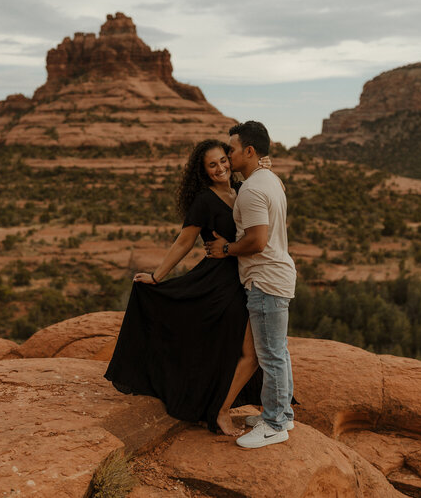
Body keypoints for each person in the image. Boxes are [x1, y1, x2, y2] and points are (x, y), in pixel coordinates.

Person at [104, 139, 265, 436]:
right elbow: (184, 241)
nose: (220, 168)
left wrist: (265, 167)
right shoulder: (204, 200)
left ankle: (235, 406)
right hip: (220, 281)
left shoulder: (243, 190)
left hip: (248, 276)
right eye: (212, 165)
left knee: (241, 346)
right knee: (245, 348)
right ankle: (217, 410)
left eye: (223, 161)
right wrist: (157, 276)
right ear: (203, 172)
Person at [205, 120, 297, 449]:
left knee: (270, 355)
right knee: (278, 352)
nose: (227, 157)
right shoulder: (269, 179)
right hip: (276, 276)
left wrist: (225, 249)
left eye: (231, 150)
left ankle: (274, 425)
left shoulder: (253, 189)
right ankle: (282, 414)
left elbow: (256, 241)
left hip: (264, 279)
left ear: (249, 150)